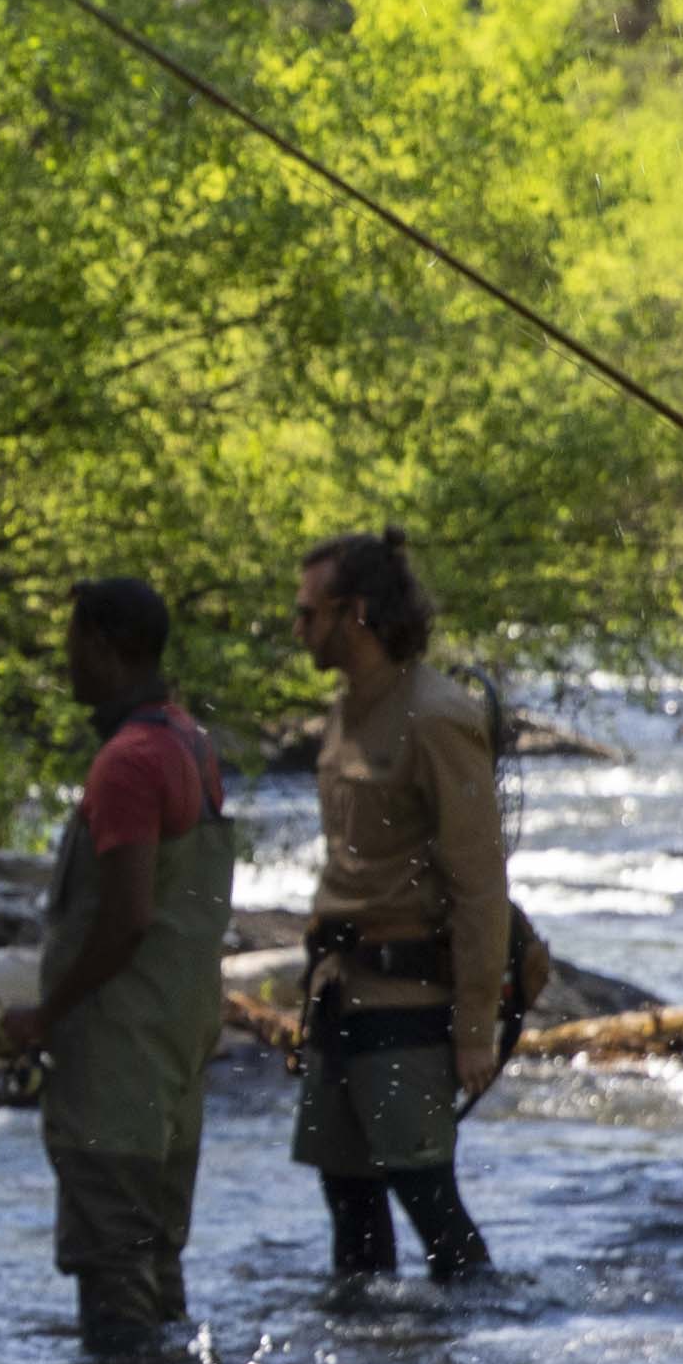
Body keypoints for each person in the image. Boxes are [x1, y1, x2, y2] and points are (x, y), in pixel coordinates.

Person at [289, 526, 509, 1288]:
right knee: (344, 1193)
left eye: (309, 613)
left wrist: (475, 1027)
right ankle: (369, 1360)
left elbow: (481, 883)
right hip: (339, 994)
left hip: (408, 999)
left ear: (356, 614)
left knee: (425, 1193)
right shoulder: (344, 712)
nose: (298, 629)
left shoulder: (437, 715)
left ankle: (478, 1357)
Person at [26, 578, 237, 1358]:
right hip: (176, 1042)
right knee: (155, 1260)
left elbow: (124, 919)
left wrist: (43, 1017)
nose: (67, 661)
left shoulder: (127, 762)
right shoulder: (192, 741)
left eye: (75, 644)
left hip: (118, 1051)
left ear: (108, 650)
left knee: (114, 1276)